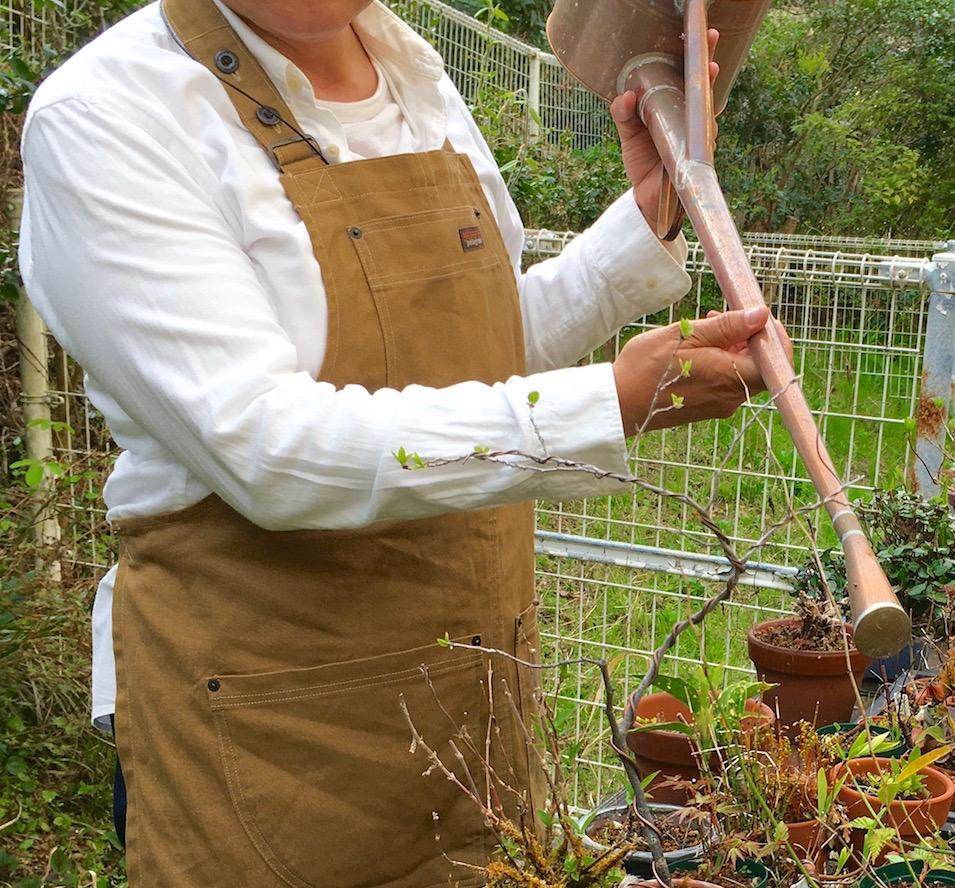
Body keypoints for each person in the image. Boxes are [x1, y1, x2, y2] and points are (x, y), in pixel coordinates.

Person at [18, 0, 788, 883]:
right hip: (279, 750)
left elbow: (480, 351)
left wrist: (643, 219)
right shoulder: (110, 115)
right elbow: (267, 450)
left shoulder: (410, 69)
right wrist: (605, 404)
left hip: (471, 712)